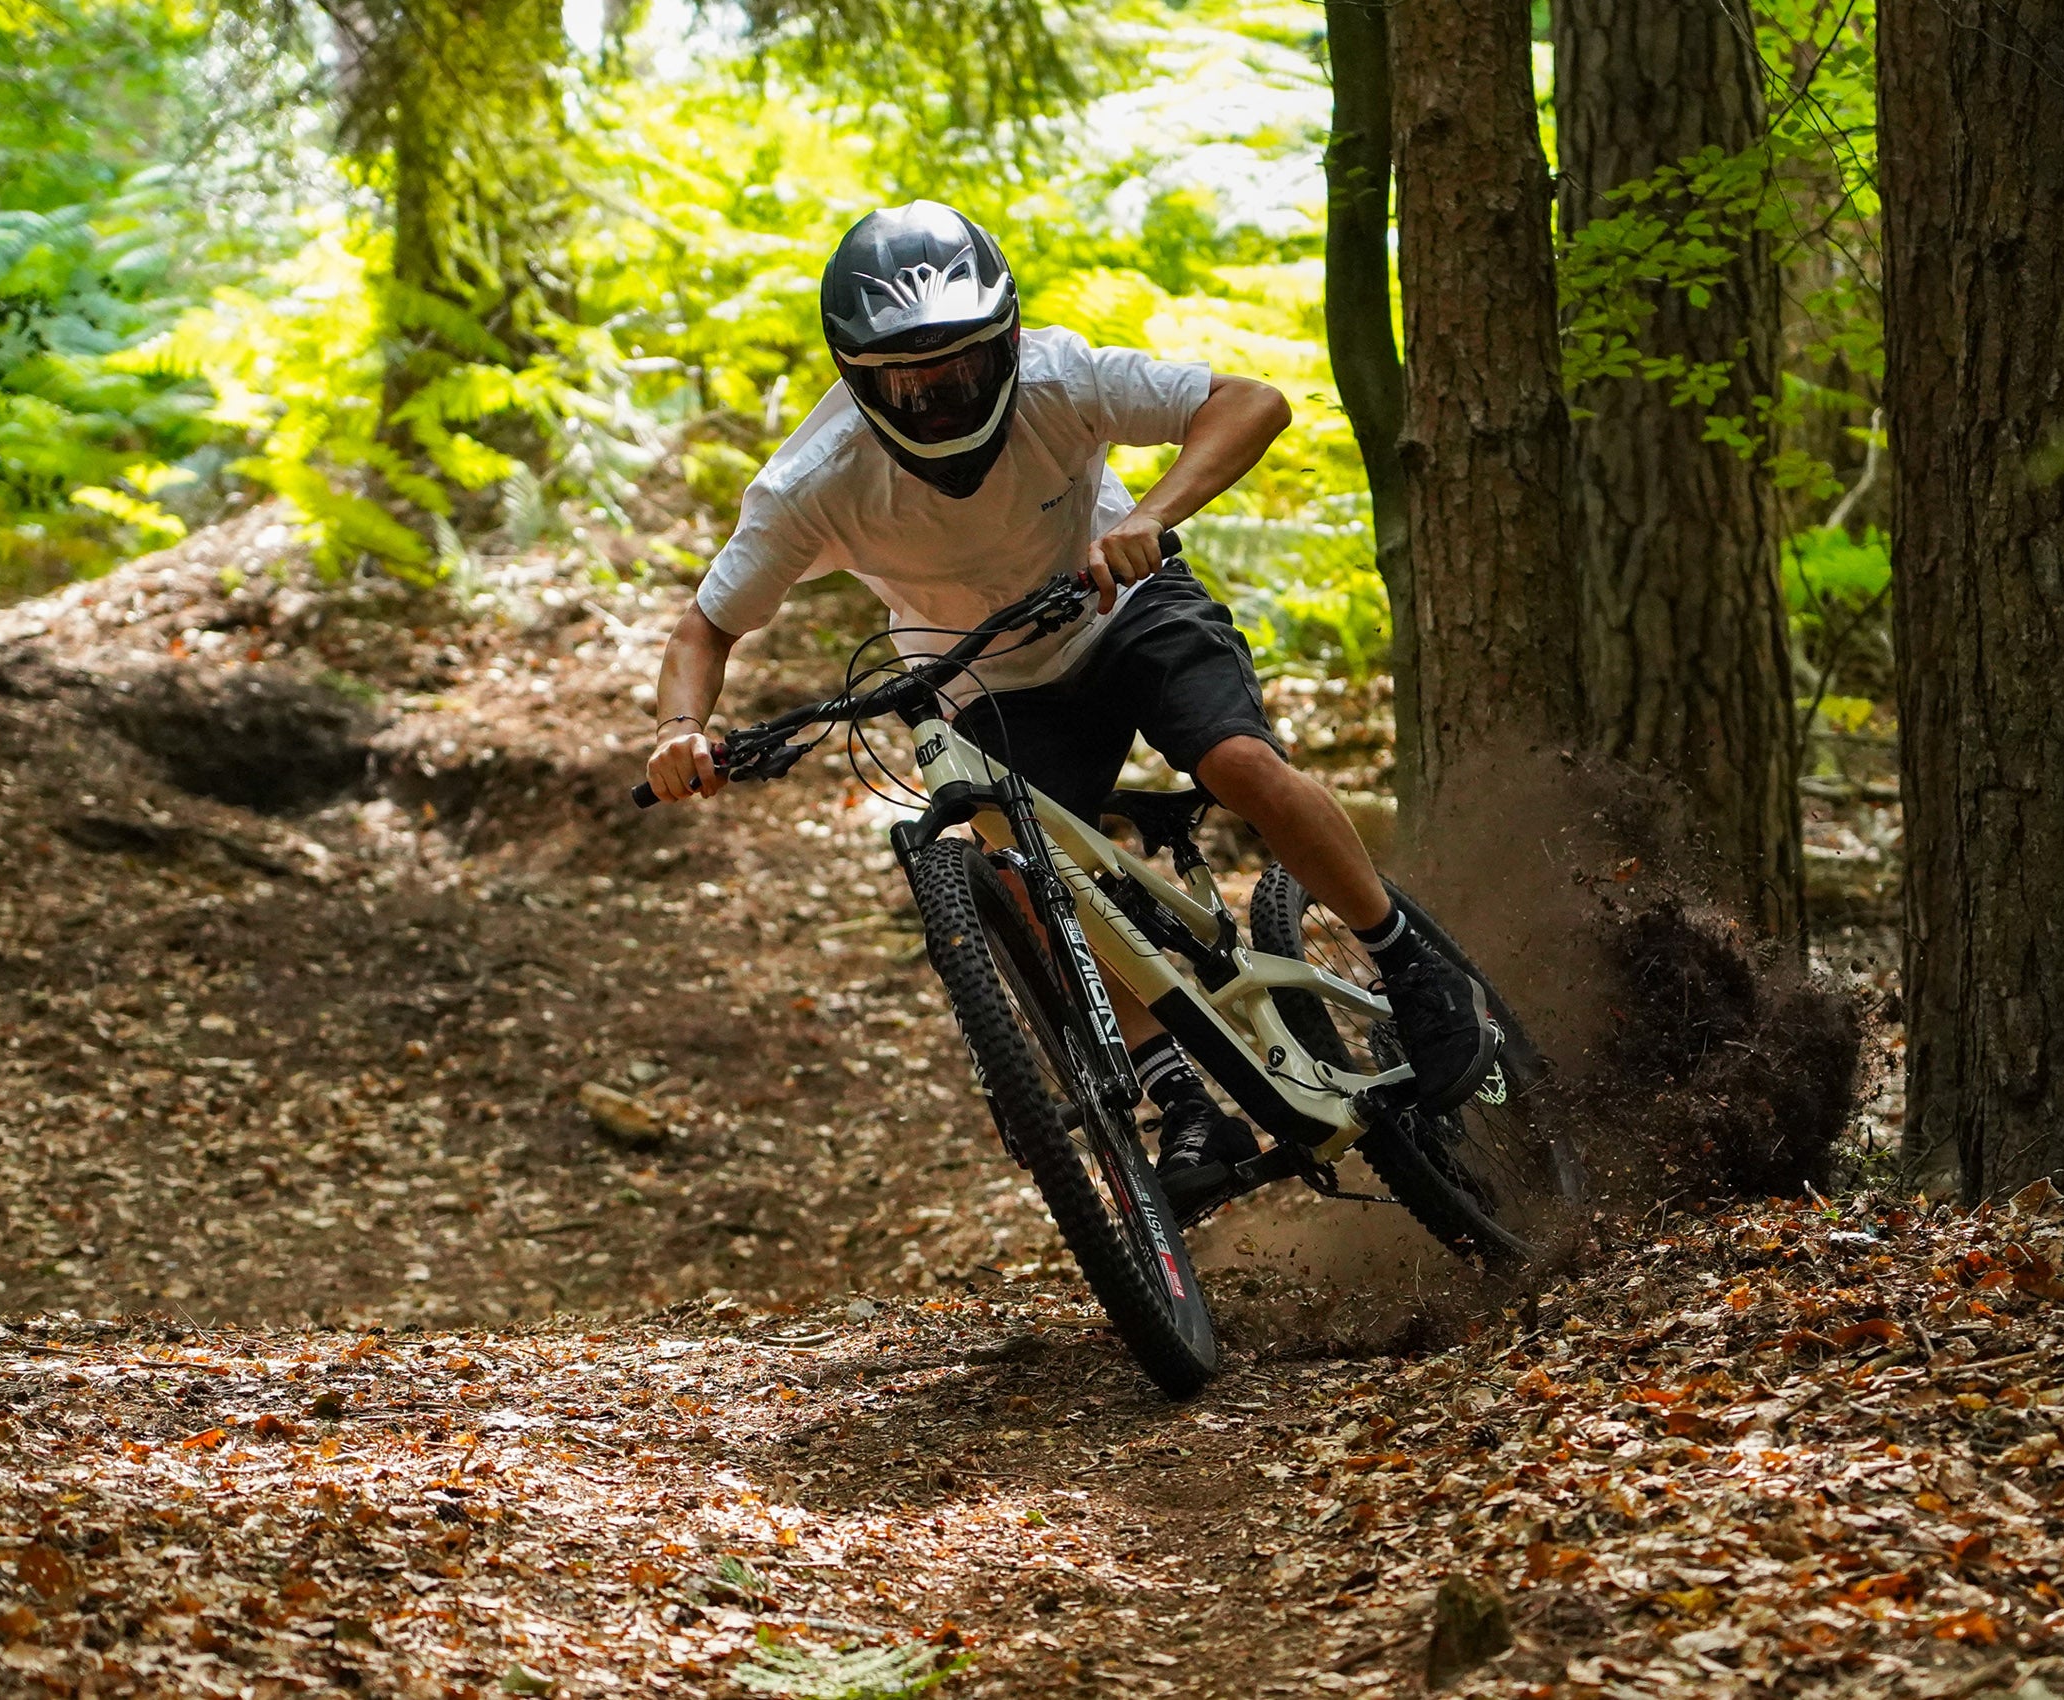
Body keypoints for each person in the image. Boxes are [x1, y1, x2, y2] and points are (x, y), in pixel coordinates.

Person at [638, 201, 1494, 1182]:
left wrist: (1154, 515)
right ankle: (1180, 1097)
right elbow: (706, 624)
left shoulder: (1059, 378)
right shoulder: (814, 481)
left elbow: (1249, 400)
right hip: (983, 676)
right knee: (1032, 874)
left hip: (1124, 606)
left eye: (960, 367)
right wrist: (679, 728)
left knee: (1237, 761)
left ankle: (1405, 960)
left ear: (1004, 342)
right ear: (856, 377)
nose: (941, 396)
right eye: (909, 383)